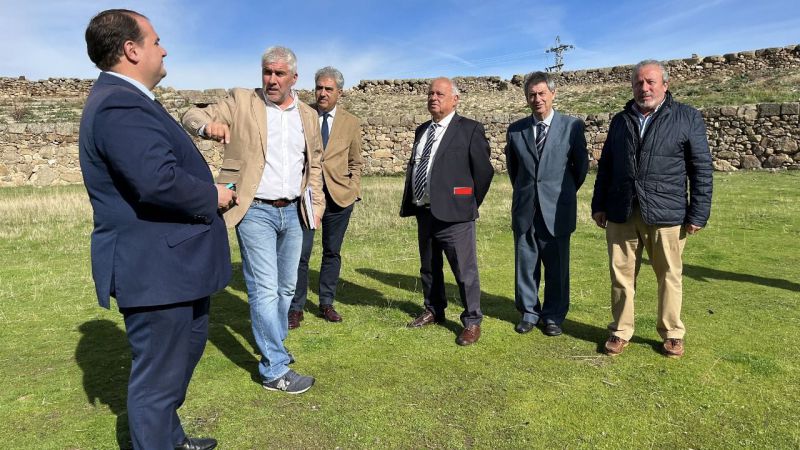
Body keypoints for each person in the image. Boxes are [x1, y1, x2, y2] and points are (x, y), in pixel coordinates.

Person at [79, 9, 232, 450]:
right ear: (131, 49)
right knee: (156, 382)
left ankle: (171, 438)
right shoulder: (118, 103)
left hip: (174, 267)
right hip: (156, 270)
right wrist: (214, 196)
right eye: (157, 40)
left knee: (178, 362)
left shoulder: (131, 100)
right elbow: (156, 180)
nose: (164, 49)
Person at [182, 46, 324, 392]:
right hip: (254, 209)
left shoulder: (306, 114)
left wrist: (316, 202)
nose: (271, 79)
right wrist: (207, 128)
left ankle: (275, 346)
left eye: (278, 74)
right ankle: (274, 368)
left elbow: (315, 163)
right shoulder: (242, 100)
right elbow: (190, 114)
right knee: (263, 289)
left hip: (293, 211)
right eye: (267, 72)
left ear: (294, 78)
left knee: (286, 288)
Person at [591, 60, 713, 358]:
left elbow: (701, 168)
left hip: (667, 213)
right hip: (622, 211)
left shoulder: (686, 117)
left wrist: (698, 212)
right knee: (621, 276)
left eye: (650, 82)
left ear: (665, 85)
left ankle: (672, 332)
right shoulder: (621, 120)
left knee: (669, 275)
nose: (644, 88)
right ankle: (620, 330)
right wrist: (599, 204)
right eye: (638, 83)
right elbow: (606, 166)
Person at [400, 77, 494, 346]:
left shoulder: (469, 129)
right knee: (429, 267)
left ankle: (473, 320)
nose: (433, 98)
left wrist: (468, 202)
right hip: (425, 211)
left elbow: (484, 172)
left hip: (456, 215)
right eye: (430, 93)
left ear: (455, 99)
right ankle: (433, 309)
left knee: (464, 271)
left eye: (440, 94)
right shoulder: (422, 130)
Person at [505, 71, 589, 337]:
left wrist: (559, 193)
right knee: (526, 265)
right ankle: (529, 312)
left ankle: (553, 315)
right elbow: (513, 170)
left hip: (557, 210)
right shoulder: (516, 130)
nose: (537, 99)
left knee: (557, 267)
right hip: (526, 208)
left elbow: (581, 169)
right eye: (532, 94)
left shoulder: (571, 127)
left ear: (553, 94)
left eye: (542, 93)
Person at [289, 66, 364, 328]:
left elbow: (356, 161)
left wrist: (353, 188)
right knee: (301, 253)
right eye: (319, 87)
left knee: (332, 252)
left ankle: (326, 303)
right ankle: (296, 307)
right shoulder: (301, 114)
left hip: (339, 198)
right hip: (306, 195)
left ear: (339, 93)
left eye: (328, 89)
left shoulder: (351, 122)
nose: (322, 93)